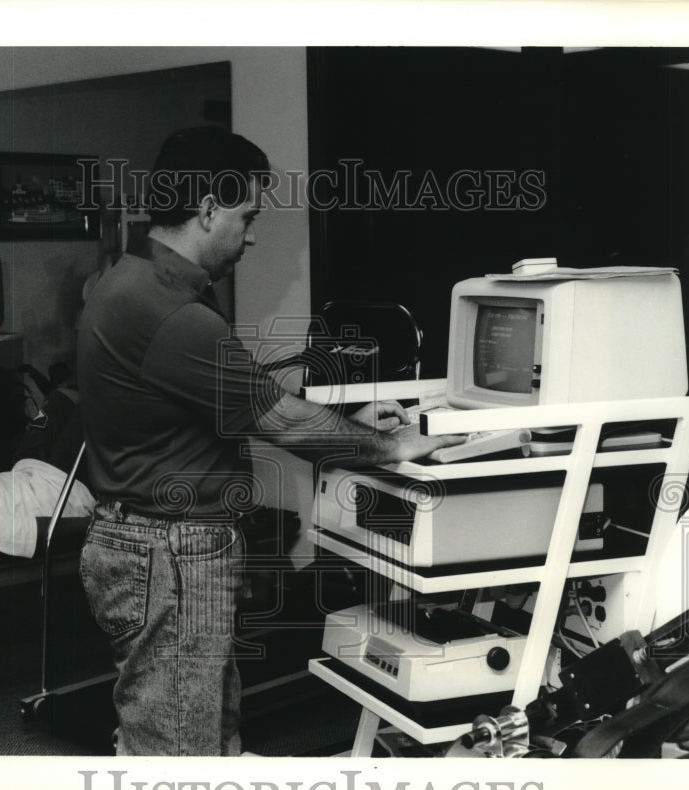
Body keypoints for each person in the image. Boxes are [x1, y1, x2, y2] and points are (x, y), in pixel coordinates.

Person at [76, 126, 464, 756]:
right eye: (247, 215)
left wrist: (352, 414)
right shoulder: (174, 315)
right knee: (176, 755)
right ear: (207, 209)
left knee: (201, 731)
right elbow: (277, 419)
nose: (252, 234)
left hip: (145, 540)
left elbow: (232, 397)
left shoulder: (128, 282)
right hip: (171, 553)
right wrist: (393, 447)